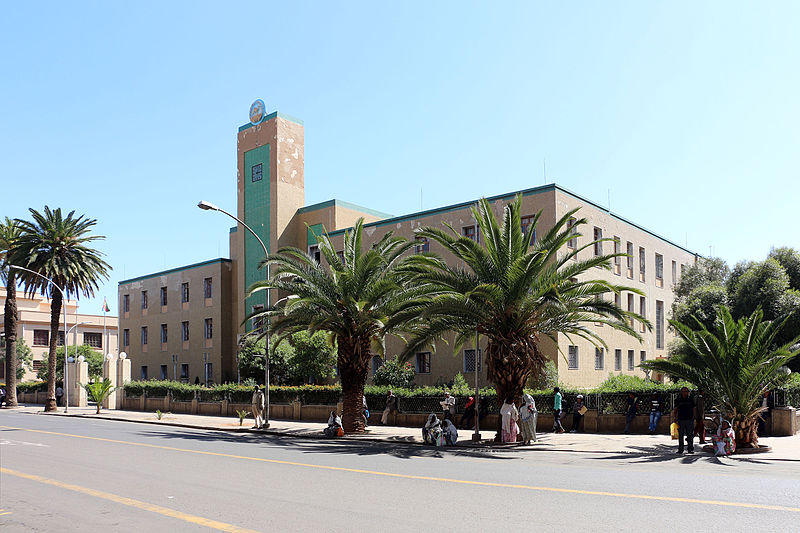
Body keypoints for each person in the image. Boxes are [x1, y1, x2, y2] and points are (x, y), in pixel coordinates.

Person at [672, 387, 696, 454]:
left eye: (687, 391)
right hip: (681, 419)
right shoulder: (678, 400)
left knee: (690, 435)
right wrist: (675, 418)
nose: (686, 392)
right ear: (681, 392)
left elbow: (694, 408)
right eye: (684, 391)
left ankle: (690, 448)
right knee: (681, 435)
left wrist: (694, 417)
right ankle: (680, 449)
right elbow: (676, 409)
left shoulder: (691, 399)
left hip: (689, 419)